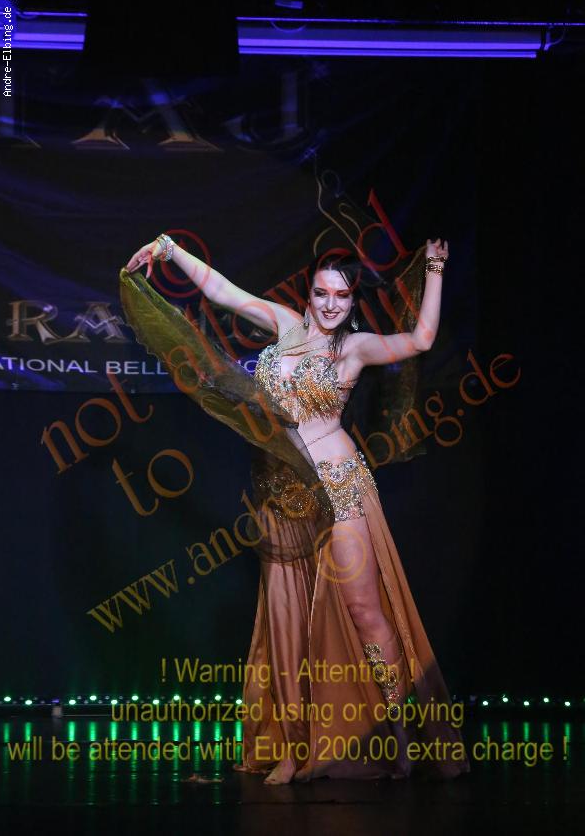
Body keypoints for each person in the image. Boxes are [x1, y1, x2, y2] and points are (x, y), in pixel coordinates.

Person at [120, 233, 470, 785]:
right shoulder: (284, 325)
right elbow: (226, 293)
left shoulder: (354, 349)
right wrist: (169, 250)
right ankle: (293, 747)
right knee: (287, 619)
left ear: (353, 300)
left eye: (342, 295)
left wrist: (435, 268)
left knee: (365, 610)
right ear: (308, 294)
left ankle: (398, 735)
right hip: (281, 491)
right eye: (322, 293)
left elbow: (422, 339)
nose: (331, 304)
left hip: (338, 485)